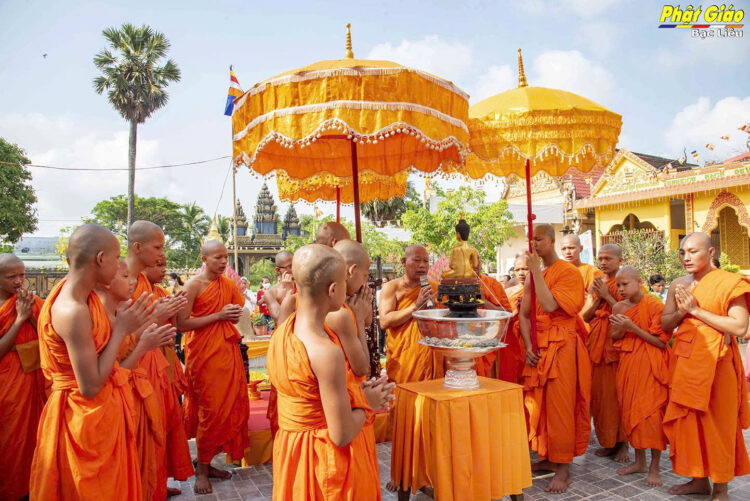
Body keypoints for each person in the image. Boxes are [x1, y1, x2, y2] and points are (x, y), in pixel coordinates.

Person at [30, 223, 153, 500]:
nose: (120, 265)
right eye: (116, 258)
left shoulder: (82, 297)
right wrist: (121, 330)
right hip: (83, 420)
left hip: (103, 414)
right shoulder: (72, 310)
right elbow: (90, 386)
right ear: (100, 259)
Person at [267, 244, 393, 500]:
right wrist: (368, 402)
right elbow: (342, 433)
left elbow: (311, 394)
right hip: (323, 460)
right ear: (334, 289)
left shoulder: (282, 333)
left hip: (292, 454)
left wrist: (354, 394)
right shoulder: (326, 352)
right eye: (344, 282)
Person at [661, 232, 750, 499]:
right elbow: (665, 324)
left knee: (719, 427)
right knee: (690, 426)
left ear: (711, 253)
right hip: (686, 364)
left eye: (693, 251)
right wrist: (682, 310)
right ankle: (698, 479)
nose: (686, 258)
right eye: (682, 253)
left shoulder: (729, 282)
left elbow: (740, 327)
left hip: (717, 366)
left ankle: (721, 488)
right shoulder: (678, 284)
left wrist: (696, 310)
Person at [519, 223, 591, 494]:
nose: (534, 244)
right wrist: (528, 345)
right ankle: (549, 457)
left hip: (562, 346)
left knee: (561, 406)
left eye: (538, 239)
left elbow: (550, 306)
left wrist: (536, 271)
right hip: (539, 346)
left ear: (551, 241)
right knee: (541, 405)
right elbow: (524, 315)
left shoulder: (568, 272)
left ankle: (563, 469)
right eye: (532, 240)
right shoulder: (535, 275)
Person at [177, 240, 249, 494]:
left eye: (225, 257)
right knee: (209, 410)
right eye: (217, 257)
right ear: (204, 259)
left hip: (226, 353)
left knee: (228, 407)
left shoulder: (226, 284)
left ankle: (207, 463)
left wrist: (229, 315)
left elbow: (235, 312)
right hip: (203, 355)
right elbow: (181, 324)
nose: (223, 262)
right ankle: (201, 471)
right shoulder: (193, 285)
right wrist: (218, 316)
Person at [126, 221, 189, 499]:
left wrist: (165, 313)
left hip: (153, 362)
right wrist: (157, 315)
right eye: (158, 248)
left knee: (158, 428)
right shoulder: (122, 280)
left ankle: (155, 485)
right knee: (141, 434)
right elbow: (118, 331)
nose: (162, 255)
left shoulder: (143, 283)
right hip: (133, 367)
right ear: (137, 247)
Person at [610, 266, 670, 487]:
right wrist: (622, 327)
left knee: (651, 415)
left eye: (625, 284)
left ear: (640, 281)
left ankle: (654, 468)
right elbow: (614, 337)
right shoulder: (618, 307)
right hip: (628, 363)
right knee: (630, 412)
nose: (621, 289)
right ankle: (639, 462)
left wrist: (632, 326)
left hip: (651, 365)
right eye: (618, 285)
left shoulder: (655, 305)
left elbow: (660, 342)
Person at [144, 259, 195, 488]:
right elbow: (131, 333)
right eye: (157, 264)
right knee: (153, 425)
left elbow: (175, 329)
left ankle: (161, 482)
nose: (163, 269)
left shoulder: (161, 293)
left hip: (165, 361)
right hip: (147, 363)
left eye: (164, 264)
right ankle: (152, 485)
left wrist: (174, 309)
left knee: (168, 422)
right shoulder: (135, 292)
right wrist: (159, 313)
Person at [0, 254, 45, 500]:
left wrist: (31, 316)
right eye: (11, 277)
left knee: (33, 439)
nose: (19, 281)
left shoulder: (31, 302)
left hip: (33, 381)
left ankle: (32, 487)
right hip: (7, 385)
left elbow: (49, 335)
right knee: (10, 442)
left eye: (22, 275)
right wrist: (19, 320)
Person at [581, 244, 629, 462]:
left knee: (618, 397)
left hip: (616, 346)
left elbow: (630, 313)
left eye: (608, 258)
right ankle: (609, 442)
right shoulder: (598, 282)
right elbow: (586, 316)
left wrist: (608, 295)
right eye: (600, 258)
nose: (603, 262)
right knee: (601, 398)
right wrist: (599, 298)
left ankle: (623, 444)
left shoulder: (626, 282)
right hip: (597, 346)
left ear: (620, 261)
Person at [379, 244, 440, 385]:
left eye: (426, 261)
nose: (422, 265)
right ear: (404, 261)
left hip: (430, 353)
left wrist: (435, 307)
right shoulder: (392, 287)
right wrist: (416, 306)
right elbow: (384, 321)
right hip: (405, 357)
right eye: (417, 260)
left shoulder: (434, 287)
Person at [560, 233, 604, 341]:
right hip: (563, 326)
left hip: (585, 324)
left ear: (580, 248)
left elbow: (596, 299)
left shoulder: (592, 272)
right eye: (564, 249)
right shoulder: (558, 272)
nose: (568, 252)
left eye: (571, 248)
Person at [497, 253, 529, 384]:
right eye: (517, 270)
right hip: (512, 337)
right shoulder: (509, 292)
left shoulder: (541, 291)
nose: (521, 273)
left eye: (525, 269)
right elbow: (503, 317)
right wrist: (517, 312)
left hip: (532, 338)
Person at [261, 251, 295, 323]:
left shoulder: (303, 286)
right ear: (278, 270)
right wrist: (289, 292)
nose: (294, 269)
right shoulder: (271, 293)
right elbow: (279, 318)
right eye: (290, 267)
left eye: (296, 265)